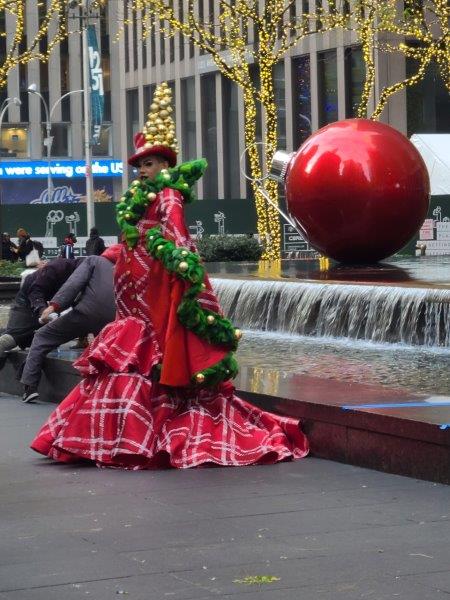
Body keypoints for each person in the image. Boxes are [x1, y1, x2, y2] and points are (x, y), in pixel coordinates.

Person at [31, 82, 309, 469]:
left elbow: (177, 233)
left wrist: (184, 266)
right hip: (134, 281)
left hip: (158, 279)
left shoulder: (168, 195)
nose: (143, 171)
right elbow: (130, 240)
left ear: (165, 164)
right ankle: (109, 436)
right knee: (131, 348)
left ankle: (140, 430)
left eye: (149, 163)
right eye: (140, 165)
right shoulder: (142, 197)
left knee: (149, 347)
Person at [20, 246, 119, 403]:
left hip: (87, 312)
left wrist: (54, 306)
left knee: (43, 336)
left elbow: (73, 285)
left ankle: (29, 386)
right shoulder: (128, 264)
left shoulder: (93, 260)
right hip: (117, 318)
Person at [0, 258, 81, 383]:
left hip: (45, 303)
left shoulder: (86, 272)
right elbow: (36, 291)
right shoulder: (59, 267)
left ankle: (26, 382)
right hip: (26, 302)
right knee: (10, 339)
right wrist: (43, 310)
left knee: (37, 340)